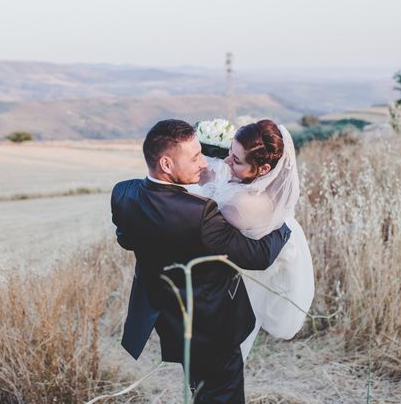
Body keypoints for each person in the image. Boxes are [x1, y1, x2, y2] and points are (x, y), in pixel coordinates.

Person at [111, 119, 291, 404]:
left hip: (169, 319)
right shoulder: (200, 215)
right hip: (213, 327)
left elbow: (126, 239)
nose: (204, 164)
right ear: (167, 164)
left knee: (200, 388)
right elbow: (258, 256)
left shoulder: (123, 193)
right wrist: (283, 221)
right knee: (222, 394)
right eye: (195, 157)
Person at [192, 119, 314, 359]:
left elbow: (205, 226)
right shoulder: (259, 185)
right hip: (238, 270)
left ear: (263, 169)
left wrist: (204, 183)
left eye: (236, 160)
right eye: (230, 153)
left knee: (223, 351)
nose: (227, 162)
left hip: (237, 281)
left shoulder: (241, 205)